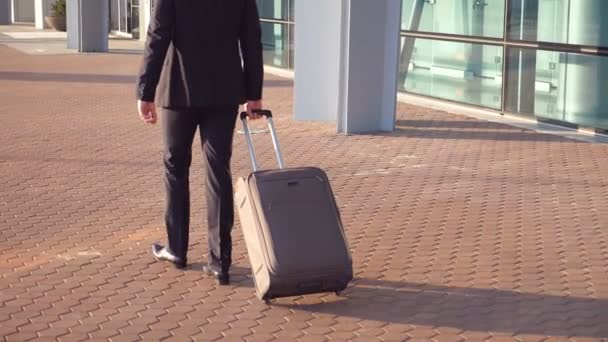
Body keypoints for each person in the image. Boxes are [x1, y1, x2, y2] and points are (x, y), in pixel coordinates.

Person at [135, 0, 264, 285]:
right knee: (218, 171)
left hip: (179, 89)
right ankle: (220, 263)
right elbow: (251, 39)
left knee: (175, 167)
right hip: (224, 92)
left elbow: (158, 35)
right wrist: (254, 93)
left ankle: (177, 250)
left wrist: (145, 91)